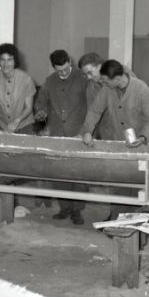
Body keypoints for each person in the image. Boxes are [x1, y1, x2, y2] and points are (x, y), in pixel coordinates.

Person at [80, 59, 149, 219]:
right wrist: (87, 131)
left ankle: (137, 221)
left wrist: (143, 137)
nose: (103, 84)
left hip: (142, 145)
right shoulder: (107, 90)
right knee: (120, 184)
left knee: (141, 186)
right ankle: (118, 218)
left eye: (105, 81)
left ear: (117, 79)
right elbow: (95, 111)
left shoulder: (141, 89)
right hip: (120, 143)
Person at [35, 50, 88, 225]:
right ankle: (64, 208)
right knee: (59, 173)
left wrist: (88, 131)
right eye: (60, 71)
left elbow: (93, 104)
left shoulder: (83, 78)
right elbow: (41, 101)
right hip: (57, 133)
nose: (64, 73)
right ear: (54, 68)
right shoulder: (50, 81)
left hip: (79, 132)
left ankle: (77, 210)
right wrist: (41, 112)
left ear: (70, 62)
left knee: (79, 174)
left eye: (66, 69)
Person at [0, 43, 36, 134]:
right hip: (2, 125)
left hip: (24, 125)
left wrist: (17, 120)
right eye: (2, 60)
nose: (6, 64)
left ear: (15, 61)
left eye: (9, 60)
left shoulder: (26, 79)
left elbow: (28, 108)